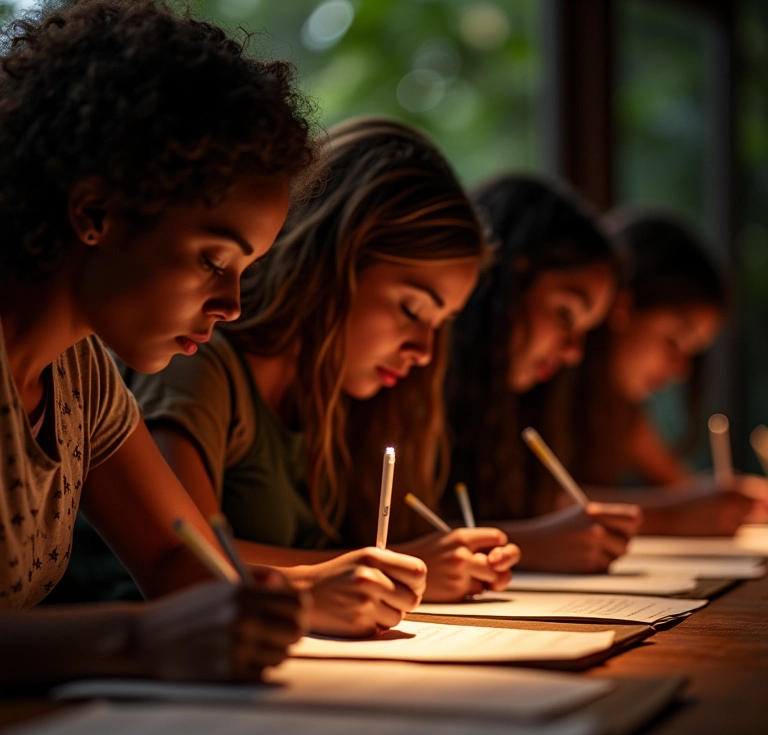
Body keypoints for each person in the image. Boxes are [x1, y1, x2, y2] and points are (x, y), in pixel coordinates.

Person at [0, 0, 319, 686]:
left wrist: (273, 603)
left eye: (245, 271)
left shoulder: (81, 375)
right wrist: (136, 640)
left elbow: (179, 558)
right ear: (96, 212)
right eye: (212, 260)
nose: (232, 305)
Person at [125, 116, 519, 628]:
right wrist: (376, 566)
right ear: (333, 264)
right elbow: (190, 558)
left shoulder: (335, 399)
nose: (425, 351)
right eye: (411, 309)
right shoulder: (196, 363)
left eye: (441, 325)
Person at [446, 173, 642, 573]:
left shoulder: (511, 409)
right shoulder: (414, 383)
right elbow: (389, 536)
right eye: (565, 314)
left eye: (586, 331)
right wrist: (533, 545)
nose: (573, 353)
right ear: (506, 279)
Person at [570, 210, 767, 535]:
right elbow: (538, 506)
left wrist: (739, 501)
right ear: (622, 306)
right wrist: (674, 515)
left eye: (692, 353)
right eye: (674, 342)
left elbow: (680, 486)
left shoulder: (619, 411)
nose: (681, 370)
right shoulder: (544, 380)